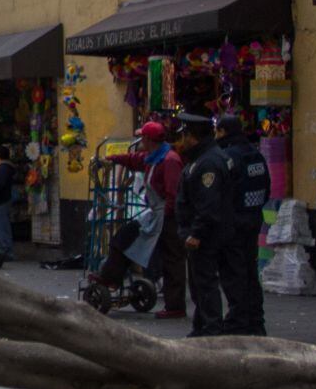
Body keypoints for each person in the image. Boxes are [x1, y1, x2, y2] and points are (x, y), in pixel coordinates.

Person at [107, 121, 188, 318]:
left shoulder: (169, 160)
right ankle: (111, 277)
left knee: (172, 260)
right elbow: (136, 160)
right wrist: (113, 159)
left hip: (167, 216)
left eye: (142, 137)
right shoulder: (153, 158)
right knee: (124, 238)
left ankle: (175, 306)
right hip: (156, 213)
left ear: (148, 140)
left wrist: (165, 219)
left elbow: (173, 194)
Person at [174, 114, 234, 337]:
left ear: (193, 136)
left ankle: (211, 329)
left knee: (205, 283)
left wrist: (196, 233)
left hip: (207, 235)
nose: (182, 139)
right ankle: (202, 326)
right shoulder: (202, 158)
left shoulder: (207, 162)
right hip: (206, 231)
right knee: (200, 284)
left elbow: (208, 204)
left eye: (185, 134)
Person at [217, 114, 270, 336]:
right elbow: (266, 189)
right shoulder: (256, 155)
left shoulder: (229, 157)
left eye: (218, 130)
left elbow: (224, 192)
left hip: (235, 223)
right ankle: (255, 321)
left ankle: (237, 321)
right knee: (250, 272)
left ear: (224, 131)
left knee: (234, 273)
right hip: (253, 219)